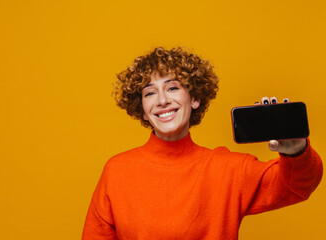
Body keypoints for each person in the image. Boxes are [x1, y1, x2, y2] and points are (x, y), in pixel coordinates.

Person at [82, 47, 323, 239]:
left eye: (173, 88)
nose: (162, 100)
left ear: (195, 98)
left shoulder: (228, 169)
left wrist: (296, 152)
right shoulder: (118, 170)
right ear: (143, 110)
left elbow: (296, 186)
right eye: (150, 93)